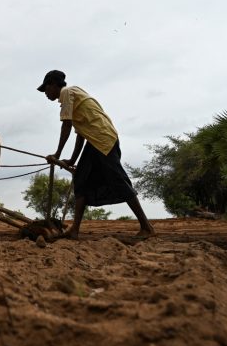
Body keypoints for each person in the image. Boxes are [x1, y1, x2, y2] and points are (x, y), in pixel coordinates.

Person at [37, 70, 156, 239]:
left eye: (46, 89)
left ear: (54, 85)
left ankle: (147, 227)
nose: (46, 93)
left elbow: (67, 126)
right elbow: (80, 134)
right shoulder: (74, 94)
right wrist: (71, 160)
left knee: (118, 180)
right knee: (81, 180)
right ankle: (75, 231)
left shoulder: (66, 93)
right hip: (95, 140)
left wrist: (56, 154)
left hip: (103, 139)